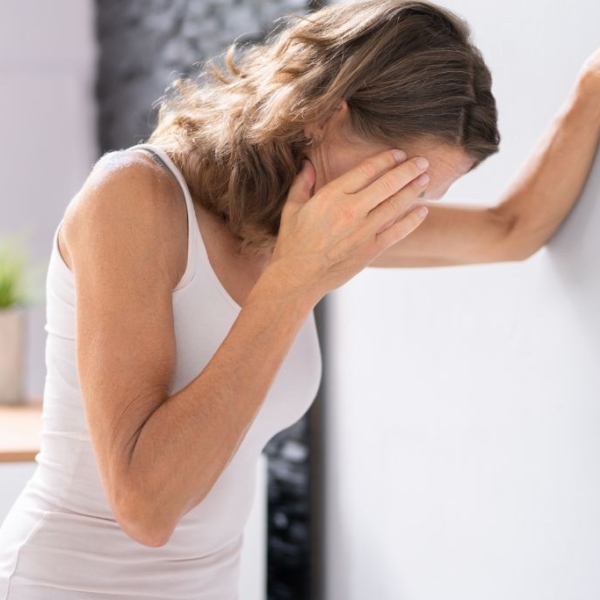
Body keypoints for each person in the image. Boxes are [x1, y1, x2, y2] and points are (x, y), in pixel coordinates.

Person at [0, 0, 599, 598]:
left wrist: (594, 82)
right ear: (323, 115)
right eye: (395, 181)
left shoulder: (308, 222)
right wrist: (295, 280)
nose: (398, 211)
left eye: (423, 193)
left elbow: (511, 228)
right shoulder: (133, 196)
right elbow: (146, 509)